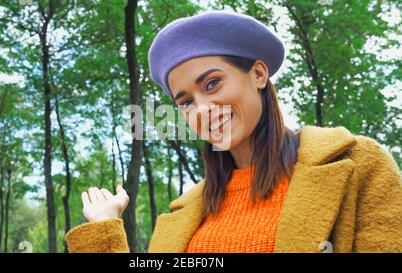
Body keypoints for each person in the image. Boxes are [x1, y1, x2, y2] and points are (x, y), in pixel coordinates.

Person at [65, 11, 402, 253]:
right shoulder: (184, 213)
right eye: (185, 102)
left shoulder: (359, 164)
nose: (202, 109)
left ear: (258, 74)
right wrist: (103, 231)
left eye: (213, 83)